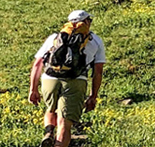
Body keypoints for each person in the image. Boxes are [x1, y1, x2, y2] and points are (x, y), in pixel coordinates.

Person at [27, 10, 106, 147]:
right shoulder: (95, 41)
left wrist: (33, 89)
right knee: (65, 122)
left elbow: (38, 64)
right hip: (76, 80)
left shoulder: (54, 37)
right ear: (86, 22)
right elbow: (97, 72)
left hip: (50, 78)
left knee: (51, 110)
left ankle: (49, 131)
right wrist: (93, 96)